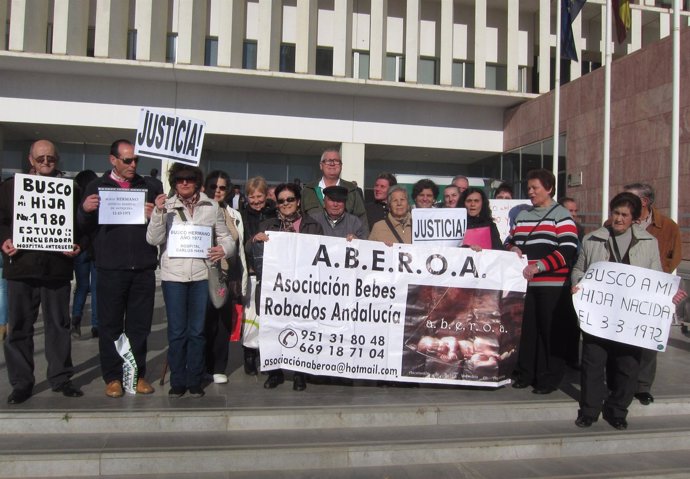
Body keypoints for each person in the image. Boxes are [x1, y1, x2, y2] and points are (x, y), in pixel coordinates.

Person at [572, 192, 687, 430]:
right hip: (599, 315)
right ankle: (589, 410)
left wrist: (670, 296)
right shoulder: (592, 239)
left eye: (625, 215)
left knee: (627, 366)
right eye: (616, 213)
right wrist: (578, 283)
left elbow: (657, 278)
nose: (619, 219)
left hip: (630, 319)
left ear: (634, 218)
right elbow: (579, 268)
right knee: (593, 362)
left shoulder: (648, 242)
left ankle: (617, 411)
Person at [0, 140, 83, 404]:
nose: (46, 163)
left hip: (57, 268)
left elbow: (81, 225)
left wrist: (78, 244)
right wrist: (4, 239)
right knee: (20, 327)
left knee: (58, 325)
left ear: (57, 160)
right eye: (41, 159)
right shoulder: (11, 187)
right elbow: (1, 220)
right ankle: (22, 383)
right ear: (30, 160)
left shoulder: (72, 190)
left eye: (51, 158)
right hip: (21, 266)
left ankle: (60, 378)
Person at [78, 139, 163, 398]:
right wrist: (84, 210)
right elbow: (82, 228)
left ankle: (135, 375)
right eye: (127, 160)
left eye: (136, 160)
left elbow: (162, 226)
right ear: (112, 160)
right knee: (111, 325)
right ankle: (113, 376)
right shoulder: (96, 186)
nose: (133, 164)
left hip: (143, 267)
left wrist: (157, 213)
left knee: (139, 326)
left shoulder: (150, 186)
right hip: (110, 268)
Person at [147, 164, 234, 398]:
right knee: (176, 332)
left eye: (189, 179)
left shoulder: (211, 206)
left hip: (201, 276)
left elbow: (227, 238)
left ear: (196, 182)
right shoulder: (167, 207)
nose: (184, 183)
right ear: (174, 183)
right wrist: (158, 212)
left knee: (197, 331)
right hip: (173, 276)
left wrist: (223, 250)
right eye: (179, 180)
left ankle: (194, 379)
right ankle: (178, 380)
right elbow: (153, 239)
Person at [506, 169, 578, 395]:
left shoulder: (562, 215)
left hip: (552, 286)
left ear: (549, 189)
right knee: (527, 332)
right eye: (528, 188)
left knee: (550, 332)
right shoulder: (522, 215)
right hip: (527, 285)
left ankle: (549, 377)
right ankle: (526, 373)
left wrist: (539, 267)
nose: (530, 192)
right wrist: (513, 247)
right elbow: (510, 240)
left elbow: (568, 250)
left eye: (535, 188)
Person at [251, 183, 323, 391]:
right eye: (281, 201)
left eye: (290, 199)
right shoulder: (268, 224)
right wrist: (256, 240)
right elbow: (250, 250)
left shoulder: (313, 225)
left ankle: (299, 372)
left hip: (303, 287)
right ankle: (275, 373)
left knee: (300, 327)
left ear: (298, 201)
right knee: (273, 329)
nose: (286, 204)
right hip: (274, 287)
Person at [623, 183, 683, 406]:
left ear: (645, 202)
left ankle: (642, 386)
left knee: (649, 339)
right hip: (624, 290)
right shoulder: (617, 221)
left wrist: (660, 278)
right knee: (621, 337)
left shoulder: (667, 226)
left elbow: (674, 255)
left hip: (653, 290)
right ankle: (619, 381)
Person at [203, 170, 248, 384]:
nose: (217, 191)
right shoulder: (199, 210)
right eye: (213, 186)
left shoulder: (234, 214)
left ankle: (219, 366)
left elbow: (238, 248)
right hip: (202, 274)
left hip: (227, 274)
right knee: (203, 321)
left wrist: (241, 278)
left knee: (222, 322)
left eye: (222, 187)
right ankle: (202, 364)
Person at [240, 176, 277, 376]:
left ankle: (265, 354)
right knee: (250, 318)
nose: (256, 201)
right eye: (252, 197)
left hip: (270, 273)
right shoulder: (241, 215)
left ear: (266, 194)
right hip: (251, 271)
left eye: (259, 196)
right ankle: (249, 354)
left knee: (267, 318)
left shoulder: (275, 212)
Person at [301, 147, 368, 230]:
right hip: (314, 240)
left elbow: (362, 221)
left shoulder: (352, 191)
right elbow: (300, 219)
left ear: (341, 166)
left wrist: (359, 238)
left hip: (344, 241)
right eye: (328, 161)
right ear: (321, 165)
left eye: (336, 161)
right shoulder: (308, 190)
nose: (332, 164)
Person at [71, 169, 99, 339]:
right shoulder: (97, 200)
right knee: (96, 288)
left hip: (80, 249)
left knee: (81, 287)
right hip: (94, 250)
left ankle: (76, 319)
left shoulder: (75, 201)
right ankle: (96, 325)